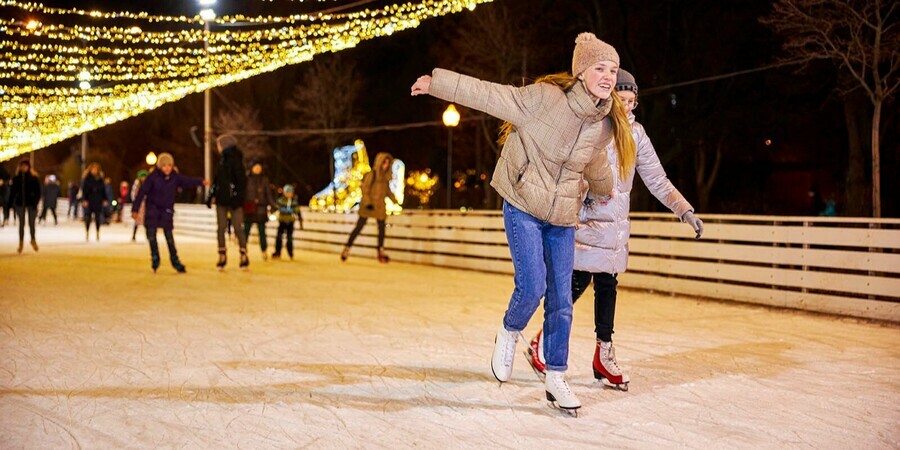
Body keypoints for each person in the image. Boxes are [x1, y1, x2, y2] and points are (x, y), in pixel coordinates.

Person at [411, 32, 632, 413]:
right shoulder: (545, 99)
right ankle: (509, 330)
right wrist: (438, 83)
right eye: (600, 67)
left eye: (612, 69)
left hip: (562, 216)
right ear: (581, 72)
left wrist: (605, 187)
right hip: (523, 203)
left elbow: (594, 162)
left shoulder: (603, 123)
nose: (608, 76)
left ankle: (556, 376)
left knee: (562, 301)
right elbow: (491, 95)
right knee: (532, 288)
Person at [523, 69, 704, 391]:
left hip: (615, 228)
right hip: (585, 220)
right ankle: (544, 342)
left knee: (607, 285)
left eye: (633, 101)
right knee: (575, 285)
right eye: (622, 100)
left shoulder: (636, 135)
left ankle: (603, 355)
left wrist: (683, 208)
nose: (628, 106)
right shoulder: (591, 127)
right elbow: (568, 170)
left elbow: (657, 179)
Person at [132, 153, 207, 273]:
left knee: (169, 238)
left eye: (170, 165)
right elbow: (142, 192)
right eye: (164, 166)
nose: (167, 168)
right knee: (151, 237)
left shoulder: (175, 177)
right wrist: (135, 209)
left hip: (166, 211)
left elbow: (187, 181)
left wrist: (200, 181)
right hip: (152, 210)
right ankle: (155, 259)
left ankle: (175, 261)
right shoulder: (153, 177)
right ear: (159, 166)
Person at [340, 152, 399, 263]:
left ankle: (380, 250)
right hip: (368, 206)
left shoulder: (386, 178)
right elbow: (365, 189)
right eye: (384, 163)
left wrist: (396, 201)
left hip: (380, 207)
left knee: (382, 228)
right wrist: (367, 203)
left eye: (387, 163)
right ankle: (347, 248)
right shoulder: (372, 175)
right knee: (359, 227)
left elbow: (388, 192)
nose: (385, 166)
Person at [207, 134, 249, 270]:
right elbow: (217, 181)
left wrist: (238, 198)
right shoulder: (222, 161)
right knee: (221, 227)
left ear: (225, 146)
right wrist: (211, 195)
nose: (218, 148)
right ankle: (222, 254)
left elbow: (242, 182)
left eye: (219, 145)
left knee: (237, 227)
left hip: (234, 201)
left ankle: (243, 254)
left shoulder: (236, 161)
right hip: (221, 200)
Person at [243, 160, 275, 260]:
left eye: (259, 167)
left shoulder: (265, 180)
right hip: (249, 208)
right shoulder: (247, 179)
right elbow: (243, 194)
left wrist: (273, 205)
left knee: (262, 231)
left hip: (261, 209)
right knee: (246, 230)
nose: (257, 169)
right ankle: (243, 249)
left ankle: (264, 250)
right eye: (256, 167)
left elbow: (268, 194)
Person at [9, 159, 42, 253]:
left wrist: (35, 202)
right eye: (22, 166)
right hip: (20, 204)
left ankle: (33, 239)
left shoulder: (33, 178)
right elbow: (12, 192)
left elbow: (38, 192)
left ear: (28, 167)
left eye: (26, 166)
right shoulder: (16, 178)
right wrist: (11, 204)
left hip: (31, 204)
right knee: (21, 224)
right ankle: (21, 242)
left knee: (32, 224)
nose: (24, 168)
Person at [272, 184, 303, 260]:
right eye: (287, 192)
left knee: (289, 238)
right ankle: (277, 252)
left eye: (290, 193)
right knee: (279, 237)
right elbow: (275, 207)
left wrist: (300, 222)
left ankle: (290, 253)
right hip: (282, 221)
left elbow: (298, 211)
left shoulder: (294, 202)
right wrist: (276, 209)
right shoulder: (281, 200)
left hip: (290, 222)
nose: (289, 194)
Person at [81, 163, 107, 241]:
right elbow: (84, 190)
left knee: (97, 217)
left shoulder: (100, 179)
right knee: (88, 217)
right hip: (89, 200)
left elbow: (103, 190)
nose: (94, 171)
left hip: (98, 200)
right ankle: (87, 232)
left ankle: (97, 232)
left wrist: (104, 199)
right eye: (93, 169)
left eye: (96, 169)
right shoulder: (87, 179)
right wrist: (84, 200)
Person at [131, 170, 148, 241]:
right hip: (139, 204)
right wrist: (135, 202)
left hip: (146, 204)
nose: (143, 178)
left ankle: (148, 236)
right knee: (137, 221)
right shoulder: (137, 184)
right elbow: (134, 194)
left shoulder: (148, 184)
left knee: (146, 220)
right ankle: (134, 235)